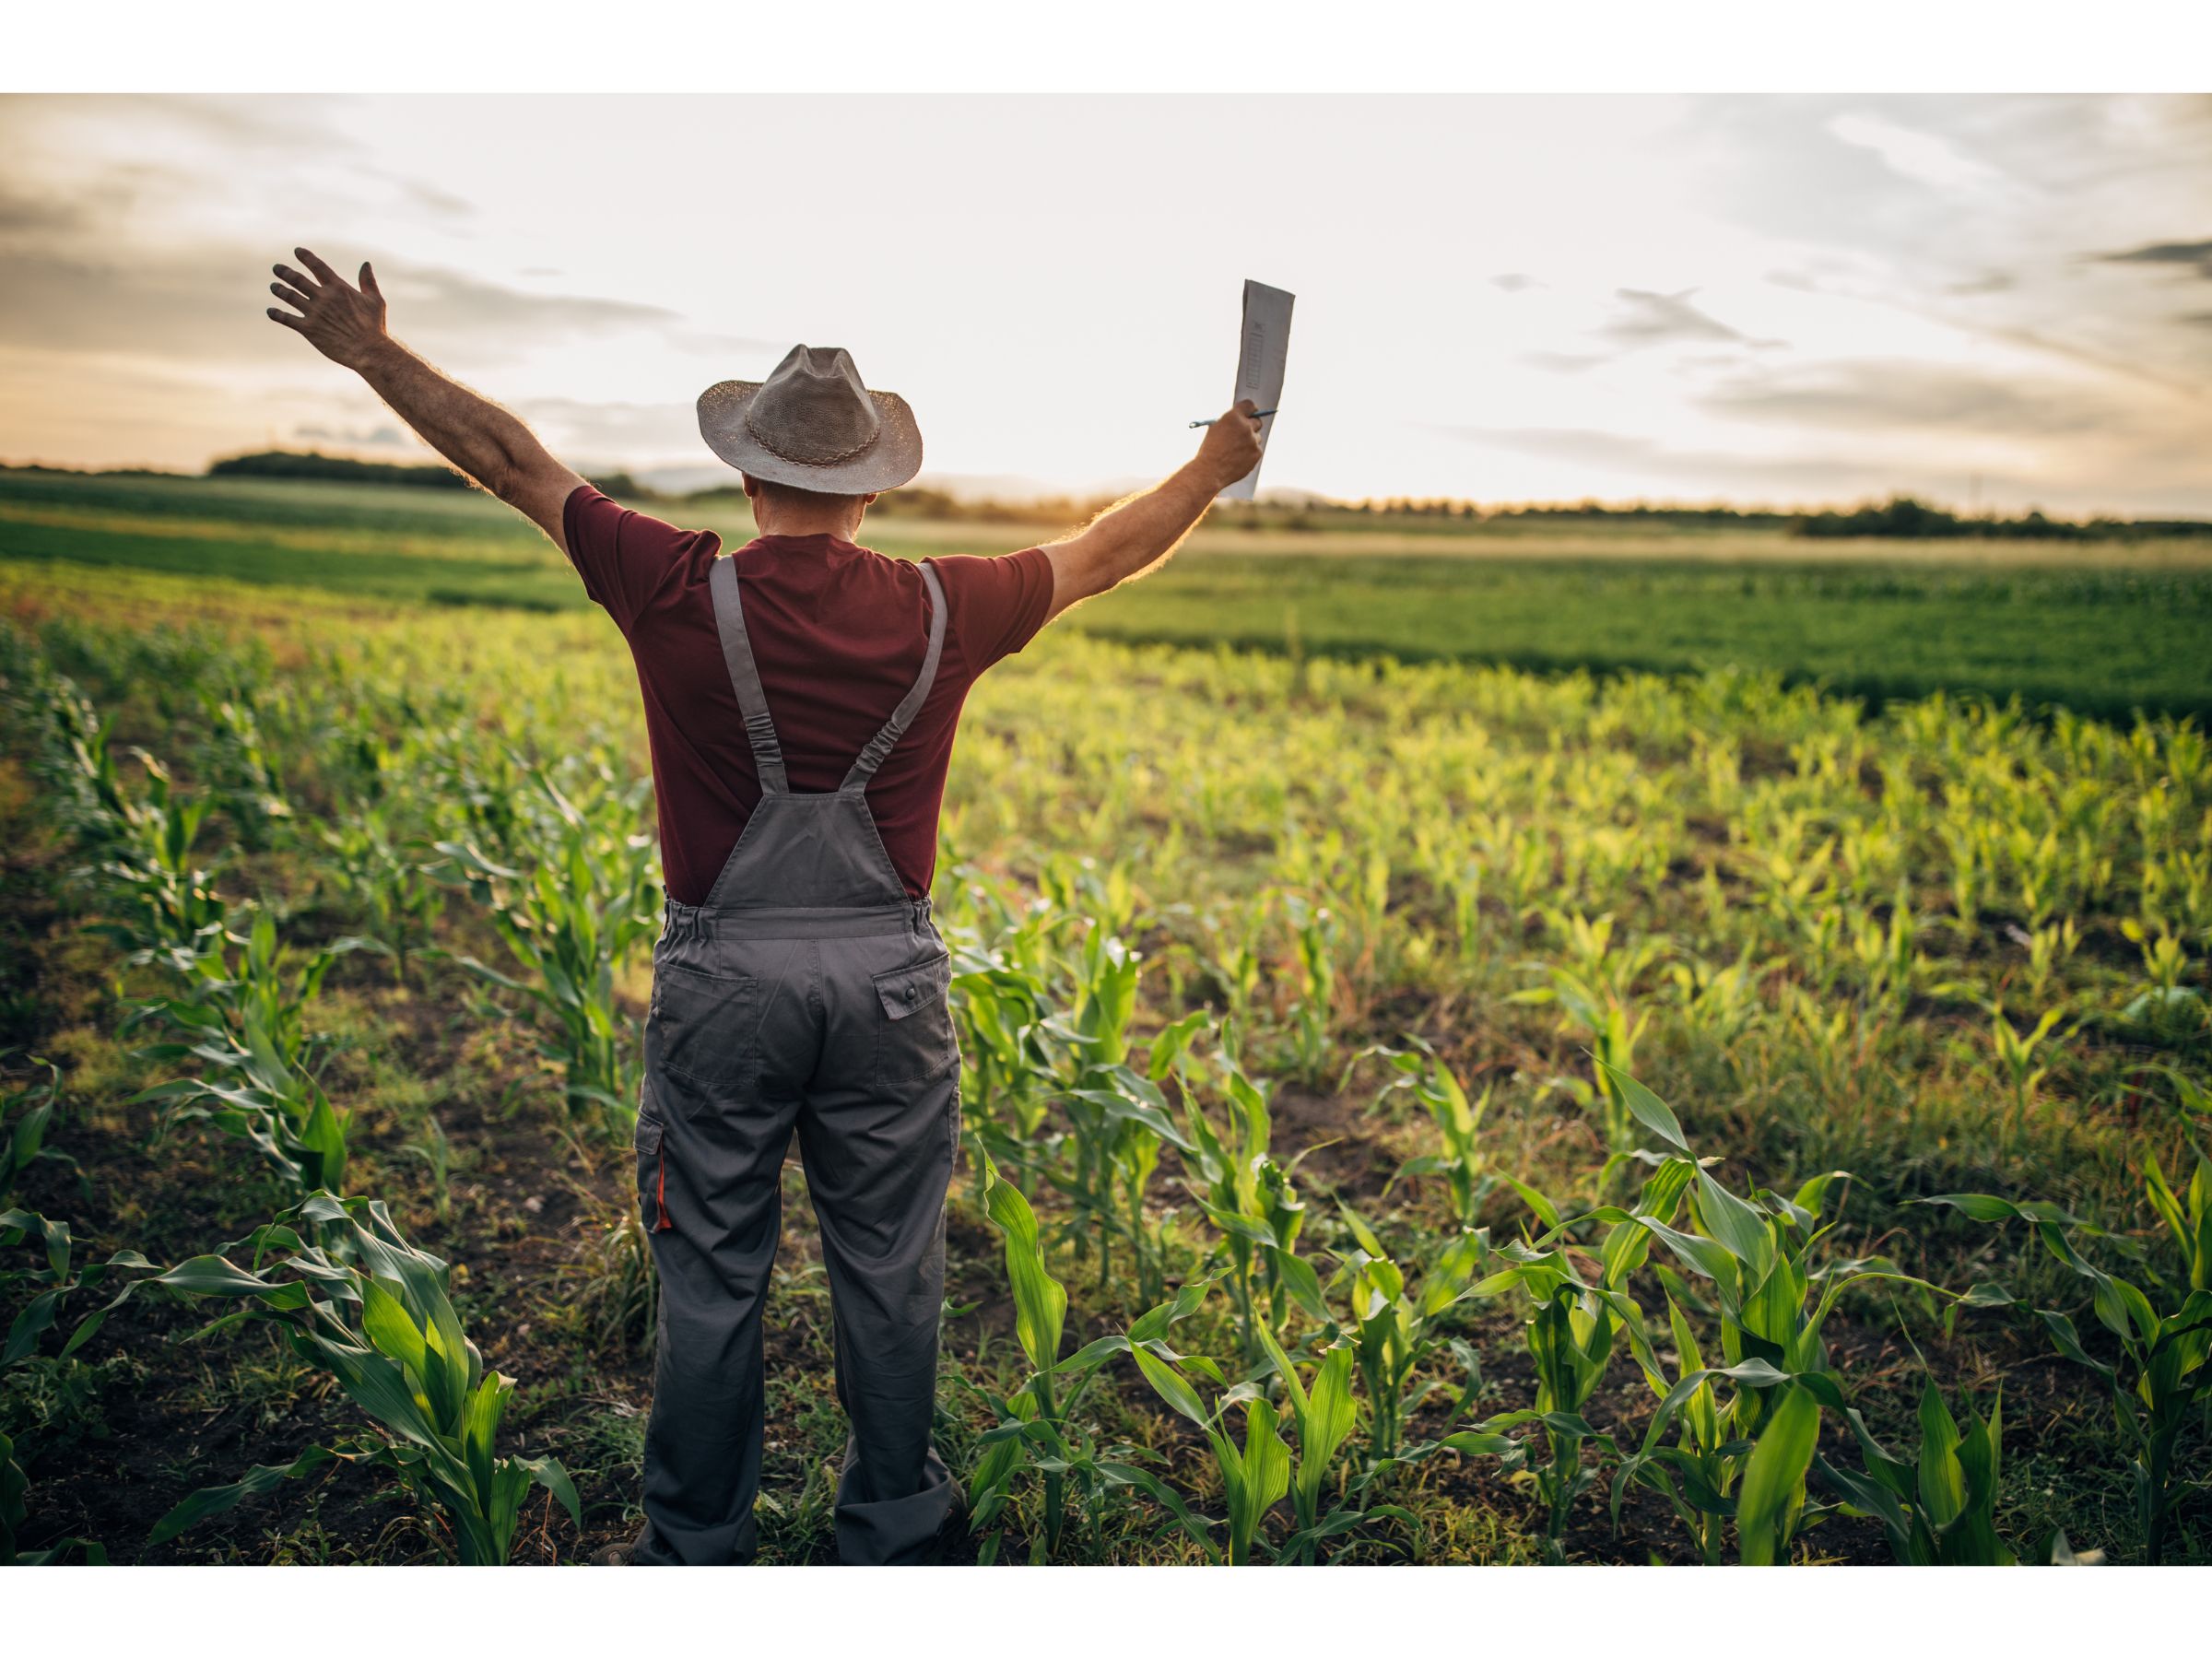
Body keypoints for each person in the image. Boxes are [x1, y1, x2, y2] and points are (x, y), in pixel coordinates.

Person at [264, 248, 1265, 1564]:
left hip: (725, 985)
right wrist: (1213, 467)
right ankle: (895, 1529)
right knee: (893, 1269)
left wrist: (375, 354)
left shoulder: (673, 584)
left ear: (747, 477)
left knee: (710, 1273)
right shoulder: (945, 606)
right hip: (889, 989)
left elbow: (511, 462)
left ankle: (696, 1548)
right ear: (871, 490)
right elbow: (1103, 553)